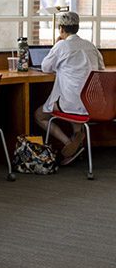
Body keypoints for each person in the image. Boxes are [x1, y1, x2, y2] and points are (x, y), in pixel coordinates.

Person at [33, 11, 105, 166]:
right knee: (76, 105)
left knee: (40, 115)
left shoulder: (61, 46)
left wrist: (56, 46)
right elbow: (101, 69)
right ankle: (77, 137)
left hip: (71, 103)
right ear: (77, 27)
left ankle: (68, 143)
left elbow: (46, 67)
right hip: (92, 103)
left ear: (61, 29)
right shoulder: (91, 46)